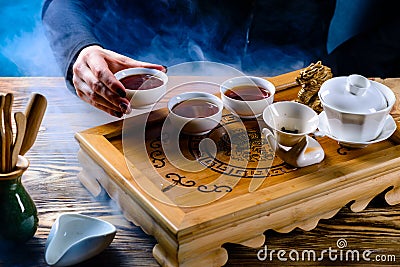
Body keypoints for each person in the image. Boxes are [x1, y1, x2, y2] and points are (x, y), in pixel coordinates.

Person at [43, 0, 400, 117]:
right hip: (165, 105)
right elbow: (64, 4)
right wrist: (81, 50)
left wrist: (341, 69)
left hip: (299, 101)